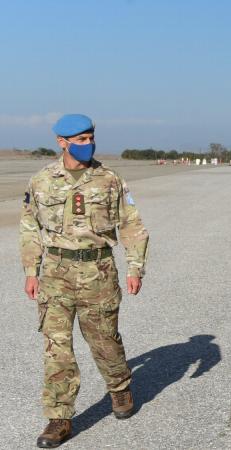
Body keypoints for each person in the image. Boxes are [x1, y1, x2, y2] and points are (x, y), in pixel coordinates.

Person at [19, 114, 149, 448]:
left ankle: (119, 389)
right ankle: (59, 418)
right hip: (55, 273)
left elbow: (131, 224)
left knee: (105, 341)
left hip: (99, 272)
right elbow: (30, 228)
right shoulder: (41, 180)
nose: (87, 143)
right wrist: (31, 271)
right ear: (61, 142)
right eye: (79, 139)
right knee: (56, 347)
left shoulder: (109, 179)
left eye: (90, 136)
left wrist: (135, 267)